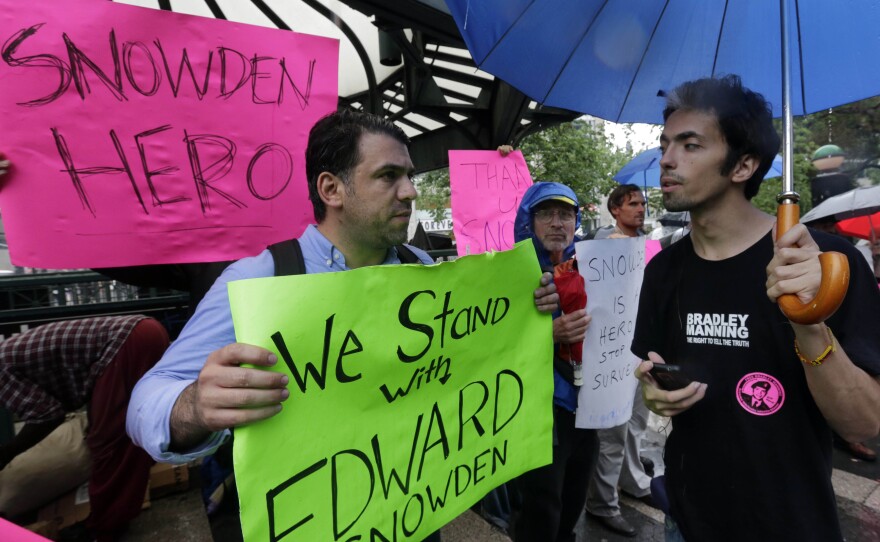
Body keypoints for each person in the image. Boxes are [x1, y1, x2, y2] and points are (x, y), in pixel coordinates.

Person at [126, 110, 560, 540]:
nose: (410, 192)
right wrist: (197, 405)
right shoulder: (260, 279)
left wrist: (524, 312)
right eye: (388, 176)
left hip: (413, 511)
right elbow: (146, 401)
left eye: (409, 175)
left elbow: (468, 359)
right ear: (331, 189)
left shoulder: (423, 267)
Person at [632, 75, 880, 541]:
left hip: (791, 524)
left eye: (690, 145)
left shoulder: (827, 264)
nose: (666, 159)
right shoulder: (663, 270)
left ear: (743, 165)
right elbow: (658, 374)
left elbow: (864, 423)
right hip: (685, 521)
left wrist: (808, 321)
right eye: (665, 144)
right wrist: (656, 394)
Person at [0, 316, 169, 541]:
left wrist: (8, 452)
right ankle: (117, 513)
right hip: (136, 334)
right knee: (120, 431)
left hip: (127, 342)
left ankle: (106, 528)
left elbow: (48, 416)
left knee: (110, 441)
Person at [507, 181, 597, 542]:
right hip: (538, 410)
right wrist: (547, 333)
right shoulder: (509, 273)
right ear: (529, 220)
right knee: (541, 507)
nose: (558, 222)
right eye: (547, 213)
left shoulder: (593, 267)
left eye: (566, 214)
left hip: (588, 407)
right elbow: (491, 344)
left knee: (574, 498)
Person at [585, 183, 654, 538]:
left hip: (640, 351)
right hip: (611, 355)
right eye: (632, 204)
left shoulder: (648, 245)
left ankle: (635, 484)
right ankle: (602, 505)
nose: (640, 209)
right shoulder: (601, 247)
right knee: (612, 434)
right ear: (614, 209)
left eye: (643, 203)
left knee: (637, 424)